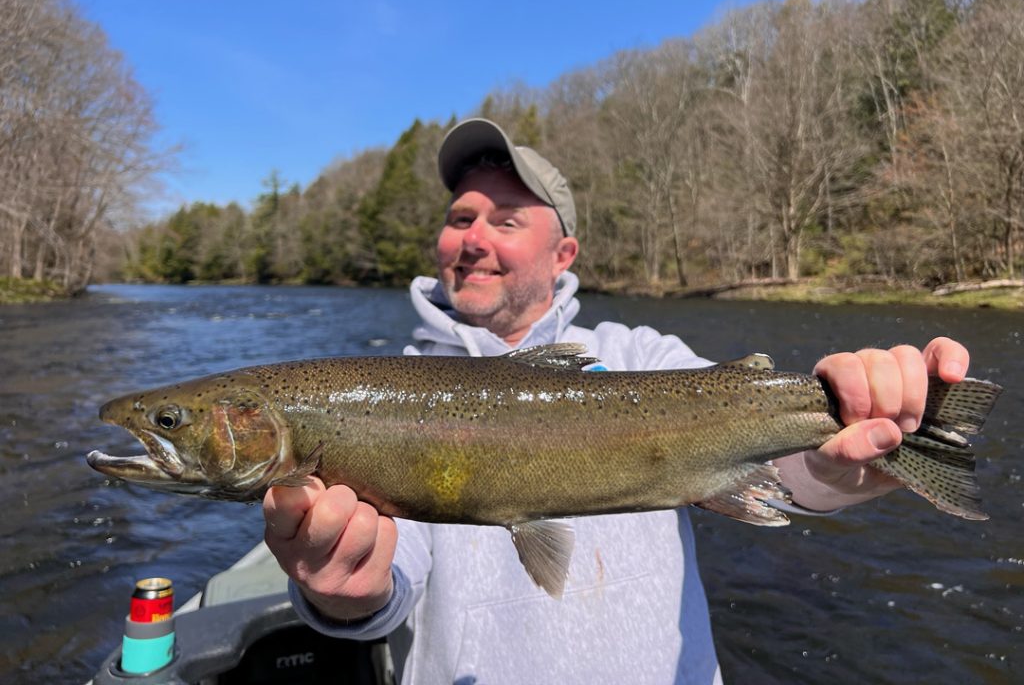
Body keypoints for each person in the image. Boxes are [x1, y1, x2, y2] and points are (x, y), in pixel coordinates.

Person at [263, 118, 970, 684]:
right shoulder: (381, 397)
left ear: (563, 255)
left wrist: (843, 467)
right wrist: (340, 593)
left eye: (505, 220)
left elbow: (786, 469)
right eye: (459, 217)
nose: (472, 238)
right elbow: (389, 581)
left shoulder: (640, 358)